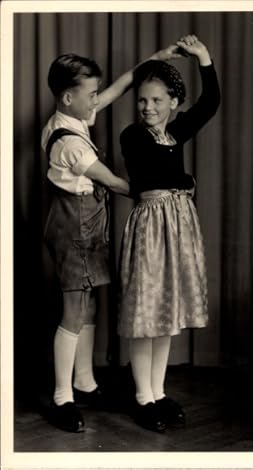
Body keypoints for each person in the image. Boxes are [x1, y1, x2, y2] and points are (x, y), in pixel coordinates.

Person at [42, 46, 181, 433]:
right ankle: (62, 397)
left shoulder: (73, 114)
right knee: (73, 311)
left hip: (89, 224)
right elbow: (116, 182)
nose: (97, 99)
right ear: (69, 97)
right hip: (74, 228)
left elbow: (119, 87)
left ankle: (84, 382)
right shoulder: (69, 141)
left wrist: (155, 58)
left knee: (89, 308)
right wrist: (159, 188)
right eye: (91, 93)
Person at [118, 35, 221, 433]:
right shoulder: (133, 136)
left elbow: (210, 103)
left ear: (173, 103)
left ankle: (158, 391)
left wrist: (203, 59)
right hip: (152, 229)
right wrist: (187, 179)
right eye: (143, 100)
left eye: (158, 101)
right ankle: (142, 396)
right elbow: (153, 175)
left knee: (165, 315)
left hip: (177, 226)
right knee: (147, 315)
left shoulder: (175, 133)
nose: (148, 108)